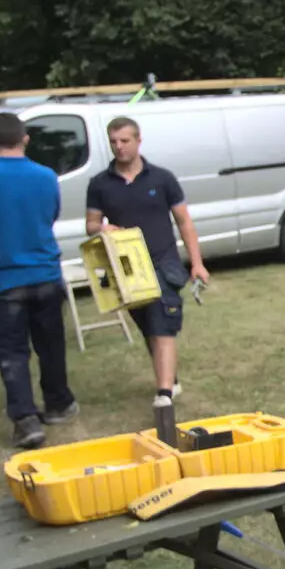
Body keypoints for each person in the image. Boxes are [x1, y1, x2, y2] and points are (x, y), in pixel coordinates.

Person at [0, 112, 78, 448]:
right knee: (51, 344)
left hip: (2, 277)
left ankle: (26, 421)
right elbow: (50, 215)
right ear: (25, 138)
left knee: (12, 352)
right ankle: (58, 403)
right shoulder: (46, 176)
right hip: (43, 271)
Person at [84, 117, 209, 405]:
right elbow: (90, 224)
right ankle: (170, 378)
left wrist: (197, 263)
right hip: (126, 269)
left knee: (161, 321)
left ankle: (163, 393)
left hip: (163, 263)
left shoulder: (162, 178)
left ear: (139, 141)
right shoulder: (100, 184)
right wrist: (101, 228)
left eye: (124, 141)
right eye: (113, 142)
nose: (119, 147)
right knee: (147, 326)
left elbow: (184, 221)